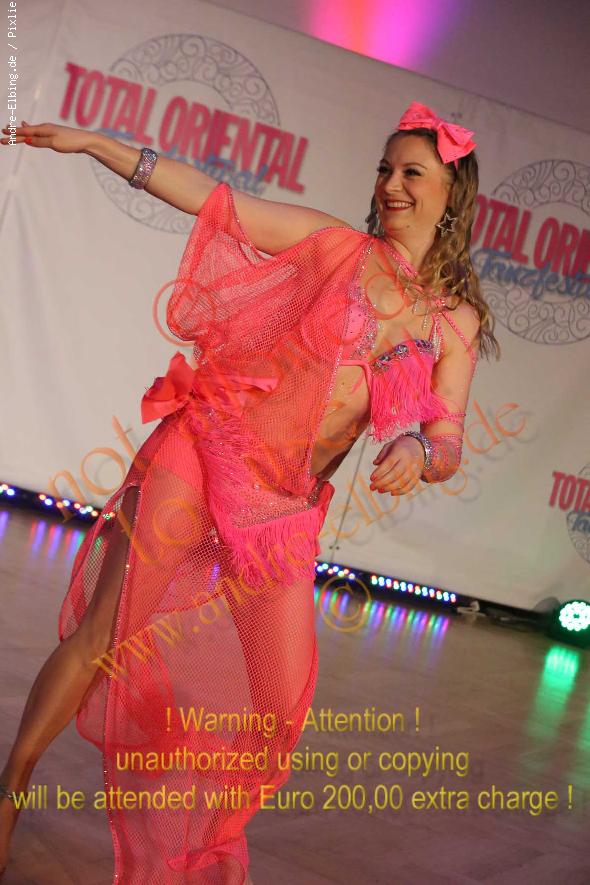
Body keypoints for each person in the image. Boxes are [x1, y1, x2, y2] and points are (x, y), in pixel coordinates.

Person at [0, 101, 500, 883]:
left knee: (277, 702)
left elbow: (448, 439)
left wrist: (416, 444)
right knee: (107, 633)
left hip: (281, 510)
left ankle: (196, 849)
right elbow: (216, 201)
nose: (391, 185)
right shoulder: (335, 246)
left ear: (453, 192)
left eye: (412, 171)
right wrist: (97, 143)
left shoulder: (454, 322)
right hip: (205, 453)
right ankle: (11, 786)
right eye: (385, 168)